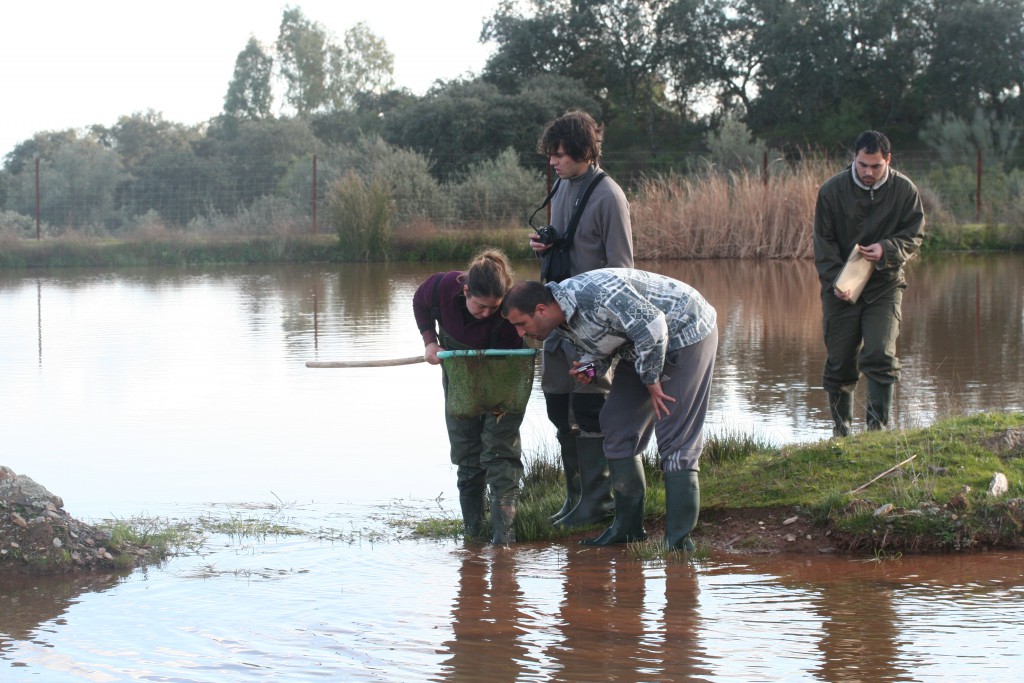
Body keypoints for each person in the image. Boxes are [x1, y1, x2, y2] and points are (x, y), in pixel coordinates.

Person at [502, 269, 718, 549]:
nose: (520, 333)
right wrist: (590, 369)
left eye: (521, 324)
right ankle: (628, 529)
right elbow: (606, 349)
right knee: (616, 425)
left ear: (541, 310)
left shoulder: (594, 294)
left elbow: (654, 324)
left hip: (686, 331)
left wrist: (651, 380)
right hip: (640, 347)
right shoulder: (562, 322)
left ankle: (677, 543)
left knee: (674, 435)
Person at [529, 108, 635, 530]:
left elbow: (624, 272)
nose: (553, 161)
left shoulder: (610, 195)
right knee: (559, 408)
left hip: (595, 329)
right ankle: (575, 501)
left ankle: (599, 502)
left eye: (560, 154)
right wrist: (544, 248)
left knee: (590, 410)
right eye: (550, 155)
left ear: (584, 151)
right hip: (556, 321)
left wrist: (610, 339)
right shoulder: (560, 187)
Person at [813, 130, 925, 436]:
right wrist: (837, 280)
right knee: (839, 363)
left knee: (880, 354)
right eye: (863, 164)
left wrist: (887, 249)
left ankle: (877, 433)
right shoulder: (832, 190)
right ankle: (841, 433)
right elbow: (823, 242)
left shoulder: (904, 190)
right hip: (840, 290)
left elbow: (914, 234)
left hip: (885, 286)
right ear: (854, 158)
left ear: (887, 160)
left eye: (876, 166)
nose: (868, 172)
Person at [413, 249, 525, 544]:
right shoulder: (440, 287)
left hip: (503, 383)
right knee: (467, 456)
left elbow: (518, 357)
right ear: (465, 291)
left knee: (500, 454)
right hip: (461, 386)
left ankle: (504, 539)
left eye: (494, 308)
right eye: (480, 306)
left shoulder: (510, 312)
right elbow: (420, 303)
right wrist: (430, 342)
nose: (487, 313)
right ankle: (473, 535)